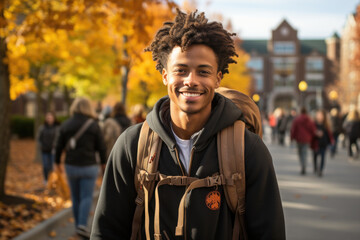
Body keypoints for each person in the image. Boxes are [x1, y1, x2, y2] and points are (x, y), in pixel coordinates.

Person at [91, 9, 285, 240]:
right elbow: (107, 231)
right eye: (180, 70)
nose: (191, 81)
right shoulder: (131, 144)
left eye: (203, 72)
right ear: (164, 75)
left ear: (218, 78)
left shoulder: (247, 148)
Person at [55, 97, 107, 239]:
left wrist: (57, 163)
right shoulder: (93, 125)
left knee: (75, 197)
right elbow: (101, 147)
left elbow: (58, 146)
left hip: (71, 166)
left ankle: (79, 225)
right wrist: (104, 164)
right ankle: (82, 226)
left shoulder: (66, 125)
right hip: (89, 166)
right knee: (86, 197)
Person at [291, 107, 317, 175]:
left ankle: (302, 166)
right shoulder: (309, 120)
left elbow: (293, 129)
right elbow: (313, 129)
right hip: (307, 139)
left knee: (300, 153)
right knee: (305, 153)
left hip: (299, 139)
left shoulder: (297, 119)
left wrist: (292, 138)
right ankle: (304, 166)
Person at [37, 111, 59, 186]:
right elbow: (39, 138)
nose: (49, 119)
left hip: (53, 151)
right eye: (48, 117)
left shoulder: (57, 128)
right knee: (46, 166)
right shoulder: (42, 128)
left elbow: (58, 138)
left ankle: (53, 181)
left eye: (50, 117)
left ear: (53, 118)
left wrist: (55, 146)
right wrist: (41, 145)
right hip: (45, 150)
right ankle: (46, 179)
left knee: (53, 167)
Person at [311, 110, 334, 177]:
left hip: (323, 143)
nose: (319, 116)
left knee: (323, 157)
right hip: (316, 142)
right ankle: (315, 167)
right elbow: (311, 131)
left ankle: (320, 170)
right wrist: (316, 133)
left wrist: (331, 141)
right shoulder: (314, 123)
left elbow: (329, 134)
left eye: (321, 115)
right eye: (318, 115)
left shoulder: (326, 124)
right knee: (315, 155)